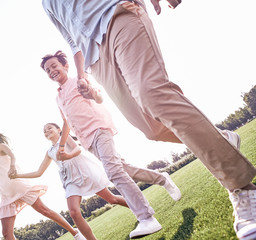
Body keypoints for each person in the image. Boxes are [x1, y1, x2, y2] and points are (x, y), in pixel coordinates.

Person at [41, 1, 256, 239]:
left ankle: (241, 189)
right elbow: (72, 41)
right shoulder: (46, 4)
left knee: (151, 94)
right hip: (95, 57)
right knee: (152, 129)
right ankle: (222, 139)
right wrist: (83, 75)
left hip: (117, 14)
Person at [40, 51, 184, 238]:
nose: (51, 71)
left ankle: (147, 218)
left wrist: (94, 94)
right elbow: (66, 122)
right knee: (123, 168)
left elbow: (98, 97)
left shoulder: (78, 81)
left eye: (54, 66)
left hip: (100, 128)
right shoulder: (58, 98)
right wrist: (60, 146)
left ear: (65, 66)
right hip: (88, 141)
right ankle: (161, 178)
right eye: (47, 70)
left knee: (113, 172)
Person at [14, 122, 130, 240]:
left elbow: (77, 149)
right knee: (74, 212)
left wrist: (68, 156)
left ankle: (141, 210)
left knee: (112, 199)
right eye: (44, 131)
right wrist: (17, 175)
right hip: (70, 181)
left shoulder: (64, 138)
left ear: (59, 129)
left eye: (49, 128)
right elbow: (39, 172)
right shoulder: (49, 152)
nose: (47, 131)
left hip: (85, 173)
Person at [0, 130, 86, 240]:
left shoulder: (0, 147)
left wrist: (12, 166)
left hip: (21, 188)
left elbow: (12, 156)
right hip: (6, 195)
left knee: (45, 211)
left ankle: (75, 233)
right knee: (6, 233)